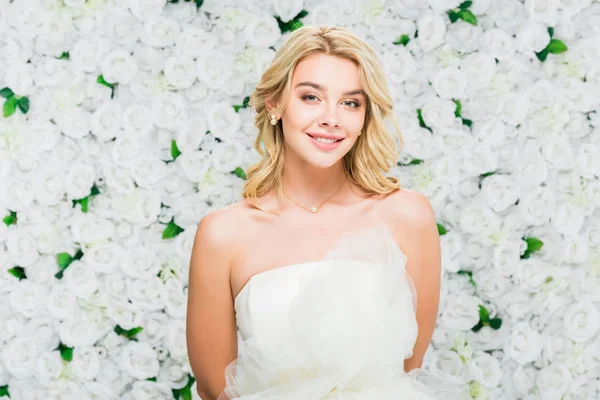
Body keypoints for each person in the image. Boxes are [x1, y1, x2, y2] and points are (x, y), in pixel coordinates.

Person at [186, 26, 469, 400]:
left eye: (351, 103)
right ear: (274, 104)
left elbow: (406, 369)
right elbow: (214, 389)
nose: (331, 118)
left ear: (365, 115)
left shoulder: (407, 216)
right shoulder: (224, 234)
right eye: (311, 97)